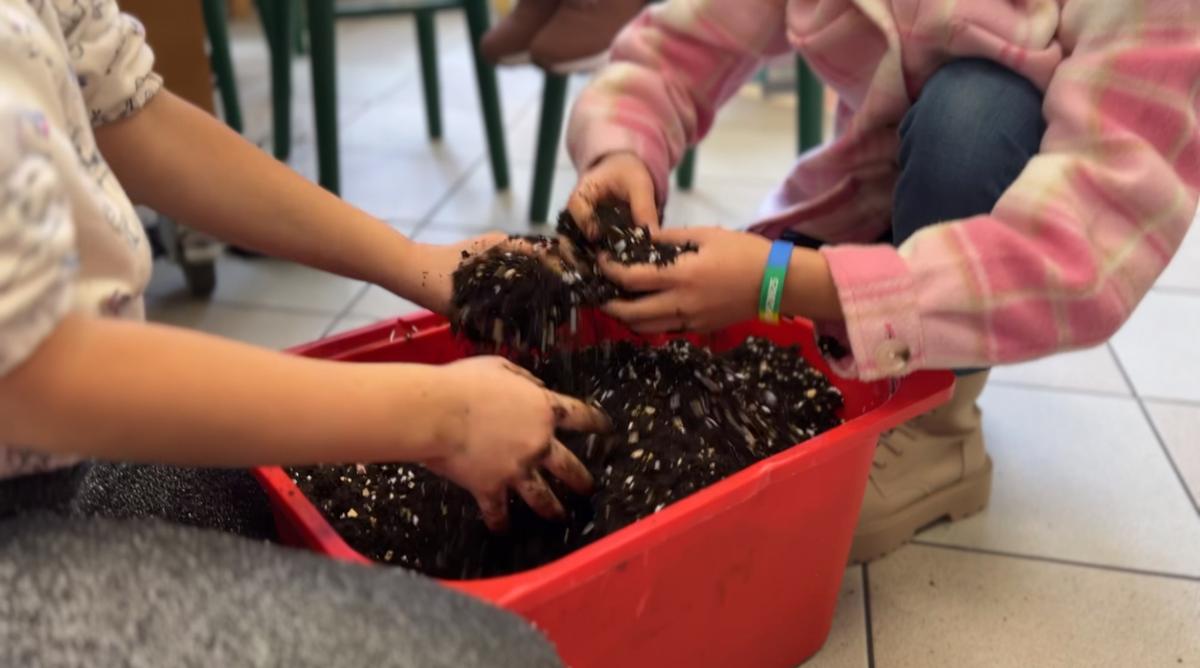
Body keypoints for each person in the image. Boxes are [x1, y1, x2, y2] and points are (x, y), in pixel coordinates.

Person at [0, 1, 604, 664]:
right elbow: (33, 374)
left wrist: (414, 264)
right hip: (29, 463)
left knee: (240, 498)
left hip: (55, 455)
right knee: (488, 655)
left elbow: (124, 108)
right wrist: (446, 418)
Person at [564, 0, 1200, 563]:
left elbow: (1084, 244)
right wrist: (621, 150)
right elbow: (685, 43)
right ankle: (877, 335)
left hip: (998, 222)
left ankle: (938, 425)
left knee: (974, 117)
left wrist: (781, 280)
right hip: (872, 187)